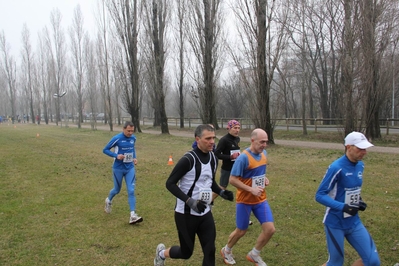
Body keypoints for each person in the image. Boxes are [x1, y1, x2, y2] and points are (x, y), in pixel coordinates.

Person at [154, 124, 234, 266]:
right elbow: (170, 183)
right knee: (186, 253)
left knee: (210, 250)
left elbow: (209, 182)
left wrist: (221, 192)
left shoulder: (214, 158)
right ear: (197, 139)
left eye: (213, 138)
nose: (212, 142)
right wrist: (190, 201)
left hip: (204, 212)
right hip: (185, 214)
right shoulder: (188, 159)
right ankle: (161, 254)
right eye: (207, 138)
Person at [315, 131, 380, 266]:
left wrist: (359, 201)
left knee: (373, 261)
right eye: (360, 149)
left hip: (354, 222)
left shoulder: (360, 165)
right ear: (348, 147)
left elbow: (350, 189)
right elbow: (320, 195)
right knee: (336, 263)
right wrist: (343, 207)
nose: (364, 152)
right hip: (335, 222)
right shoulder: (336, 167)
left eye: (365, 148)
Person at [220, 128, 275, 266]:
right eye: (261, 142)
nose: (264, 145)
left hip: (260, 199)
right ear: (252, 140)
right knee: (241, 231)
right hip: (245, 200)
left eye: (266, 142)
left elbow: (257, 173)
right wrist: (251, 189)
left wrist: (264, 179)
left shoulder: (264, 154)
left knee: (270, 229)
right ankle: (226, 250)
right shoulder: (243, 158)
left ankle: (254, 254)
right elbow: (232, 179)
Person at [102, 121, 143, 225]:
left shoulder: (133, 138)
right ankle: (108, 200)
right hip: (118, 168)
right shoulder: (117, 138)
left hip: (130, 168)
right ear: (123, 129)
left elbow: (132, 149)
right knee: (117, 189)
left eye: (132, 131)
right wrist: (116, 156)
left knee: (131, 190)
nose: (130, 133)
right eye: (128, 131)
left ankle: (133, 215)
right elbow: (105, 150)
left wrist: (134, 158)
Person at [213, 119, 241, 201]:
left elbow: (236, 150)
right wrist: (230, 157)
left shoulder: (237, 139)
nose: (237, 130)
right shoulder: (224, 140)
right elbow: (216, 154)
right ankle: (207, 201)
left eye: (239, 128)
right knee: (222, 187)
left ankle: (245, 202)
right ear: (229, 128)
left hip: (237, 166)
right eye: (235, 128)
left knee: (243, 184)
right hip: (227, 168)